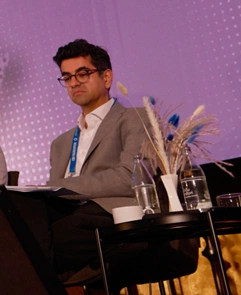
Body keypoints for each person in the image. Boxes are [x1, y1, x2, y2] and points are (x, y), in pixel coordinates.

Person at [9, 39, 148, 275]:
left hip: (112, 212)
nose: (74, 83)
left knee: (36, 245)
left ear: (106, 78)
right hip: (68, 214)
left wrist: (64, 187)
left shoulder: (135, 118)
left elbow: (130, 177)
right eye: (67, 77)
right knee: (15, 222)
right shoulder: (60, 143)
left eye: (82, 74)